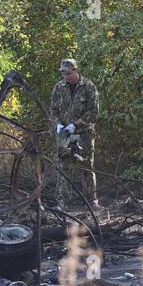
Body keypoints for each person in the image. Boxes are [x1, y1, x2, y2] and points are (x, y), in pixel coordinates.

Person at [50, 58, 101, 209]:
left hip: (84, 133)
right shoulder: (59, 87)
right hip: (65, 133)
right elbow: (53, 110)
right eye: (63, 73)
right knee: (63, 167)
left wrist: (76, 124)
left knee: (86, 167)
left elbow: (93, 111)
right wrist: (58, 124)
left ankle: (92, 203)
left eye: (68, 73)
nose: (65, 76)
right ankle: (62, 204)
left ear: (76, 70)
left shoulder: (88, 86)